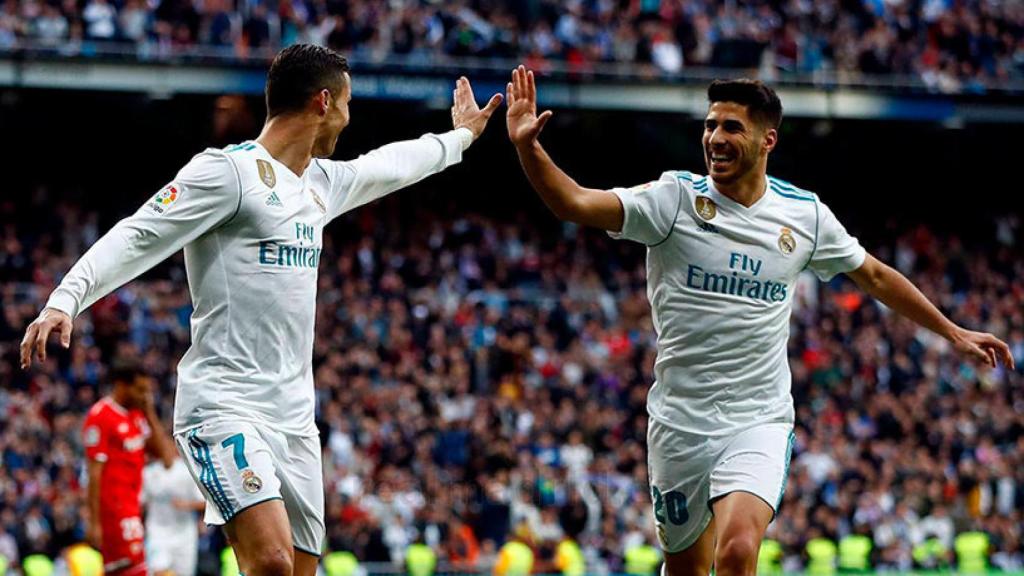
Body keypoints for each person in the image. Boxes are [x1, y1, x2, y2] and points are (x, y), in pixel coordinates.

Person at [504, 66, 1014, 576]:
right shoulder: (673, 200)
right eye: (710, 126)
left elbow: (876, 276)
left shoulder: (805, 216)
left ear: (767, 140)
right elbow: (573, 202)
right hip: (679, 425)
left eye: (732, 127)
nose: (715, 138)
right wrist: (528, 147)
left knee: (738, 550)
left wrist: (952, 331)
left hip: (758, 419)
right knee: (686, 569)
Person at [20, 44, 503, 576]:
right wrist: (66, 298)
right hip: (223, 405)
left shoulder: (320, 185)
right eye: (347, 103)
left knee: (297, 569)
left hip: (294, 420)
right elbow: (138, 233)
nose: (349, 117)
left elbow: (390, 166)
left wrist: (461, 137)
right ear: (323, 102)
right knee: (271, 561)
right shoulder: (228, 173)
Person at [82, 363, 176, 576]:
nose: (145, 396)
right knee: (133, 569)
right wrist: (94, 522)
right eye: (140, 389)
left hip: (133, 506)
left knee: (122, 570)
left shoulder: (137, 415)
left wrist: (150, 412)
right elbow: (94, 474)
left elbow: (167, 459)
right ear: (121, 385)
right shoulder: (101, 416)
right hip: (113, 509)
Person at [142, 455, 206, 576]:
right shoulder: (149, 472)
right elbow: (140, 502)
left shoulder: (187, 471)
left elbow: (206, 502)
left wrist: (187, 505)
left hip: (184, 534)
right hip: (157, 532)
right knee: (159, 571)